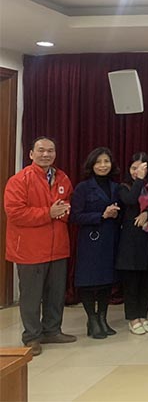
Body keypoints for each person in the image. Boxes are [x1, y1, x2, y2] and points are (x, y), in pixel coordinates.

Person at [4, 137, 76, 356]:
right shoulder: (19, 180)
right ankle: (32, 336)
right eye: (41, 150)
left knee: (56, 293)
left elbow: (68, 206)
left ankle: (52, 330)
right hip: (30, 249)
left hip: (58, 247)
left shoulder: (62, 177)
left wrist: (64, 211)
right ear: (31, 154)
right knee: (31, 296)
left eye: (50, 150)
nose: (46, 154)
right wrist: (48, 213)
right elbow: (15, 213)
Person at [70, 147, 122, 340]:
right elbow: (75, 216)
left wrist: (116, 214)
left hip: (110, 238)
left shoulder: (116, 187)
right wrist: (101, 215)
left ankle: (102, 318)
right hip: (90, 240)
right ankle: (92, 319)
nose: (103, 165)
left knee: (106, 281)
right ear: (91, 165)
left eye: (106, 161)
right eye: (98, 162)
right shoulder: (83, 188)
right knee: (88, 281)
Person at [115, 152, 148, 335]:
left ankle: (143, 315)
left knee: (146, 280)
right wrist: (139, 179)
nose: (137, 171)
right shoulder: (123, 187)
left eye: (141, 168)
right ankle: (133, 318)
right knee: (131, 281)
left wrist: (147, 213)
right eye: (134, 168)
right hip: (130, 239)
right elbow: (131, 200)